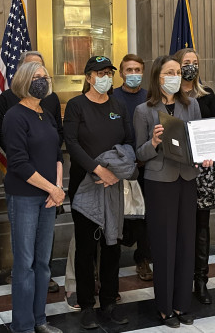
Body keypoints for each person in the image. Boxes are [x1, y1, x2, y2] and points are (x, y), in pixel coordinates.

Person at [134, 55, 212, 327]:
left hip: (187, 178)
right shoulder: (144, 110)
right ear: (158, 77)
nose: (176, 76)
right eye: (170, 72)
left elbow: (200, 140)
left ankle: (182, 304)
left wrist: (206, 155)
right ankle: (165, 307)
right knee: (165, 245)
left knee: (186, 242)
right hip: (159, 182)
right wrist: (154, 142)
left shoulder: (190, 106)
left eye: (178, 72)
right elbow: (138, 154)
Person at [64, 55, 133, 329]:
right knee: (85, 249)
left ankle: (108, 303)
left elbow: (128, 141)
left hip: (113, 185)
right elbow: (71, 142)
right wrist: (97, 169)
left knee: (112, 246)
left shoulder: (118, 105)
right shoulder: (76, 105)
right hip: (85, 184)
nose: (105, 77)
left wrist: (114, 171)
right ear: (89, 76)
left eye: (109, 73)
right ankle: (87, 307)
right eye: (100, 73)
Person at [4, 62, 65, 333]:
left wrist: (58, 187)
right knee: (25, 264)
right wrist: (51, 188)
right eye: (37, 77)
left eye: (45, 77)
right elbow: (18, 162)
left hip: (50, 197)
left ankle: (40, 319)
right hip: (25, 196)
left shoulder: (46, 113)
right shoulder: (15, 116)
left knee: (42, 263)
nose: (43, 81)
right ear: (24, 81)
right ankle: (23, 326)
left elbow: (57, 154)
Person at [173, 48, 215, 305]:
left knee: (202, 227)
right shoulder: (169, 96)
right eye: (185, 62)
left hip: (204, 169)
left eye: (195, 62)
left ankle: (200, 281)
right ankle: (179, 278)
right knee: (180, 226)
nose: (191, 66)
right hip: (177, 169)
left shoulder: (207, 95)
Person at [111, 53, 153, 282]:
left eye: (138, 70)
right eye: (129, 70)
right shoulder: (112, 97)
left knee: (145, 216)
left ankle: (143, 259)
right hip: (119, 166)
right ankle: (111, 263)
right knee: (118, 216)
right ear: (121, 73)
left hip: (147, 166)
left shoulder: (151, 98)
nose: (134, 74)